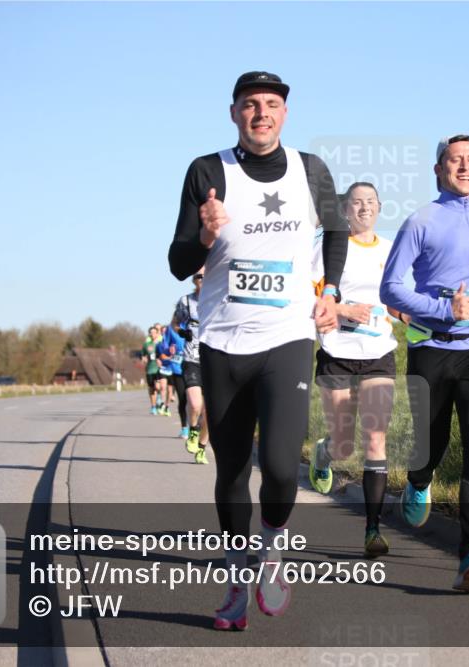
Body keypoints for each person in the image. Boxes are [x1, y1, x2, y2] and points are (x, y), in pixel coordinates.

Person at [168, 71, 348, 629]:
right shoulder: (206, 171)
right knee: (230, 471)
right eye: (250, 104)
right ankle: (235, 581)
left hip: (287, 336)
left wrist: (331, 291)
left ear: (284, 114)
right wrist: (204, 235)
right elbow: (177, 262)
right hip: (222, 341)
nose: (261, 113)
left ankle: (270, 550)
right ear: (234, 113)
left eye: (271, 104)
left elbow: (337, 230)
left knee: (279, 466)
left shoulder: (311, 169)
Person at [379, 134, 469, 593]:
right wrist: (445, 310)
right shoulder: (420, 221)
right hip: (432, 349)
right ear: (438, 169)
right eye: (455, 160)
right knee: (432, 441)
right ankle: (419, 479)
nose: (464, 166)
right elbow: (390, 288)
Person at [307, 182, 402, 559]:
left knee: (376, 438)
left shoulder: (390, 249)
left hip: (379, 352)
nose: (364, 208)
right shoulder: (329, 248)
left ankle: (373, 530)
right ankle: (323, 454)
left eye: (371, 202)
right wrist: (343, 310)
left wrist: (411, 315)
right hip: (338, 351)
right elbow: (308, 293)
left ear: (379, 207)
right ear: (345, 210)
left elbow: (396, 297)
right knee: (344, 443)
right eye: (356, 203)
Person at [172, 269, 210, 462]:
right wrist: (181, 332)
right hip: (191, 358)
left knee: (210, 412)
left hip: (213, 359)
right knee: (195, 404)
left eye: (204, 275)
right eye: (198, 276)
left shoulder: (219, 298)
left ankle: (202, 447)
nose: (201, 279)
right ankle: (193, 428)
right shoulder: (186, 301)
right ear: (193, 280)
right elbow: (175, 323)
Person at [157, 325, 190, 447]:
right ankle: (185, 428)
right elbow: (164, 347)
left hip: (195, 367)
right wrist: (168, 349)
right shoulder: (171, 329)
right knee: (183, 399)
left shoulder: (198, 321)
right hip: (178, 368)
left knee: (195, 401)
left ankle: (194, 426)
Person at [141, 325, 162, 415]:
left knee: (158, 387)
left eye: (154, 332)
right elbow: (143, 356)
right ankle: (153, 407)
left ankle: (159, 398)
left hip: (159, 369)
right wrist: (144, 359)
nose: (152, 334)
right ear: (149, 334)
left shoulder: (161, 344)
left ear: (157, 334)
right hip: (150, 369)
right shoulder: (146, 345)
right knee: (151, 389)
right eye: (151, 333)